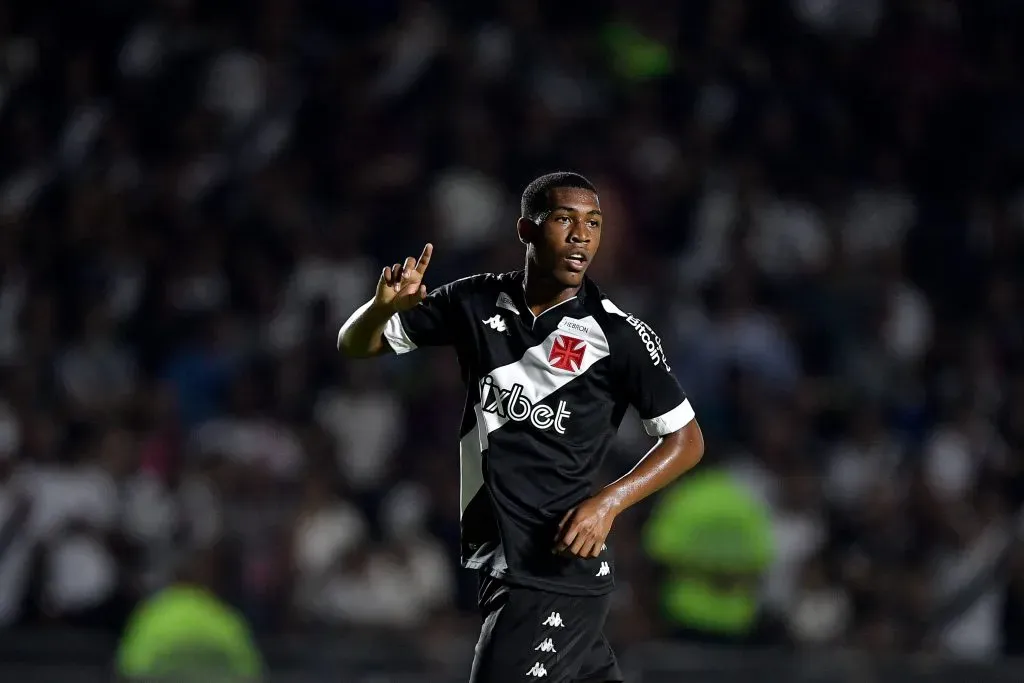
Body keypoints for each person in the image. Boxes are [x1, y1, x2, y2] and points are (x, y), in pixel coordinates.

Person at [338, 172, 705, 683]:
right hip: (505, 562)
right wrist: (380, 308)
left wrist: (608, 504)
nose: (581, 235)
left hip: (552, 568)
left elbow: (687, 441)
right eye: (565, 220)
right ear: (526, 230)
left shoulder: (617, 334)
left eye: (593, 223)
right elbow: (355, 345)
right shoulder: (475, 301)